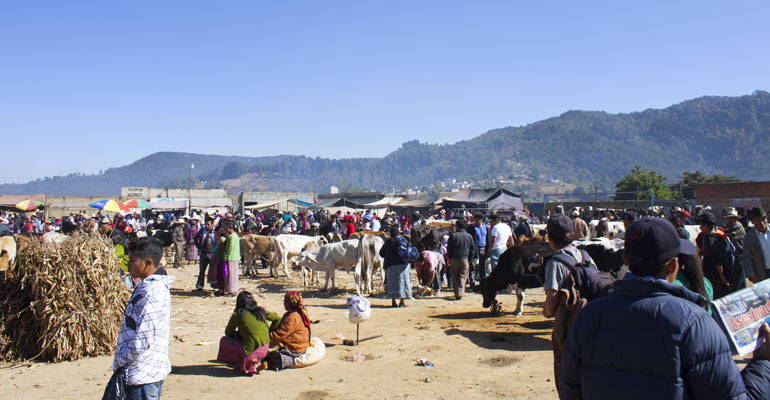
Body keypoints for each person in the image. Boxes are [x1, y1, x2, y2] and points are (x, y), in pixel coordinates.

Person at [559, 217, 770, 399]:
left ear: (624, 259)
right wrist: (763, 363)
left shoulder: (589, 317)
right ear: (673, 265)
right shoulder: (695, 323)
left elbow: (571, 390)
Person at [113, 237, 174, 400]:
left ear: (147, 263)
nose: (128, 264)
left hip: (143, 374)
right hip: (139, 371)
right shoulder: (145, 286)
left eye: (133, 260)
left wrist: (121, 359)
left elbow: (142, 339)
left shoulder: (153, 292)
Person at [541, 214, 596, 389]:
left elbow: (552, 298)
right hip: (592, 320)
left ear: (549, 238)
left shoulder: (555, 262)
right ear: (571, 234)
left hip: (568, 325)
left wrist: (547, 312)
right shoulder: (586, 256)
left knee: (565, 371)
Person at [217, 291, 281, 375]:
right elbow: (277, 319)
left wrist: (239, 333)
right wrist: (269, 332)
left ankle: (244, 365)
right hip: (265, 349)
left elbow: (228, 333)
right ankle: (256, 363)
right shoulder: (261, 311)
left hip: (250, 351)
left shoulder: (238, 314)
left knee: (224, 341)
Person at [698, 211, 745, 299]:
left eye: (702, 225)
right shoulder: (721, 235)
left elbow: (717, 259)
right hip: (727, 271)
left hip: (715, 275)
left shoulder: (710, 239)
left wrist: (721, 276)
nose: (700, 227)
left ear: (706, 226)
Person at [267, 291, 311, 370]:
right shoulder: (289, 314)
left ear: (289, 303)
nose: (284, 303)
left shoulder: (293, 317)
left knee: (270, 355)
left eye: (285, 301)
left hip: (296, 347)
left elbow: (280, 334)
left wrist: (265, 339)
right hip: (296, 343)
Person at [379, 225, 412, 307]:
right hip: (402, 266)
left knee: (392, 284)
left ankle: (393, 302)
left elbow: (381, 254)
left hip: (390, 266)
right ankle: (402, 302)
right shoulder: (401, 241)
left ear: (390, 234)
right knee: (402, 284)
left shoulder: (387, 242)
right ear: (398, 233)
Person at [446, 220, 475, 300]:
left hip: (454, 259)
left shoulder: (453, 236)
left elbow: (449, 249)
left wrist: (450, 258)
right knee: (463, 276)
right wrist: (469, 259)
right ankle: (460, 292)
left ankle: (456, 293)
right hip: (465, 259)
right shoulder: (469, 236)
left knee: (455, 276)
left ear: (457, 226)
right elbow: (473, 249)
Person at [744, 206, 770, 283]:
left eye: (763, 220)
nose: (762, 223)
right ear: (752, 221)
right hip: (763, 272)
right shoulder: (750, 237)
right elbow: (747, 257)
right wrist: (750, 274)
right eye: (758, 220)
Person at [194, 218, 217, 291]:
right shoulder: (202, 231)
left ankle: (214, 285)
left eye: (208, 224)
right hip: (203, 253)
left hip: (212, 253)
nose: (206, 226)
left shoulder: (215, 231)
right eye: (206, 224)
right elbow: (195, 238)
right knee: (202, 270)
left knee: (214, 270)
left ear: (212, 224)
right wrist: (198, 246)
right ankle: (200, 285)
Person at [222, 221, 240, 296]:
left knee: (230, 275)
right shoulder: (235, 235)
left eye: (226, 228)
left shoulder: (230, 237)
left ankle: (231, 291)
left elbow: (229, 248)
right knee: (234, 275)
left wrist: (225, 256)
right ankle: (234, 290)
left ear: (229, 228)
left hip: (231, 257)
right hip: (235, 257)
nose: (225, 230)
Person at [472, 213, 490, 280]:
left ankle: (482, 279)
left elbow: (488, 238)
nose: (476, 221)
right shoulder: (473, 227)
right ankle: (473, 280)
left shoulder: (485, 227)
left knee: (483, 265)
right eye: (475, 220)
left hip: (484, 247)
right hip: (476, 248)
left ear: (481, 220)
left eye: (477, 220)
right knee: (474, 264)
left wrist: (488, 249)